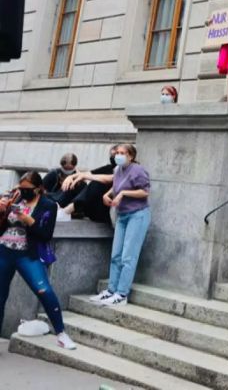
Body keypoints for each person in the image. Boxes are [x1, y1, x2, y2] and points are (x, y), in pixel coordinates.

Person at [0, 172, 76, 350]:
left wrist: (28, 220)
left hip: (28, 255)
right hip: (4, 251)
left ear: (38, 188)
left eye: (27, 189)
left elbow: (45, 234)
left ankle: (61, 333)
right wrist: (2, 210)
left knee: (44, 291)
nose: (22, 192)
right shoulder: (14, 198)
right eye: (21, 188)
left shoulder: (48, 205)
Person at [88, 144, 151, 307]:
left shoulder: (138, 170)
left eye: (122, 153)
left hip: (137, 215)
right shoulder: (117, 170)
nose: (118, 155)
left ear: (131, 156)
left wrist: (123, 194)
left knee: (128, 256)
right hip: (122, 215)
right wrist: (106, 194)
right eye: (117, 153)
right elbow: (115, 186)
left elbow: (145, 192)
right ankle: (111, 290)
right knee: (116, 255)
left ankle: (122, 294)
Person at [59, 144, 118, 223]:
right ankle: (61, 207)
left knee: (96, 183)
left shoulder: (128, 169)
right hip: (94, 208)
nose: (113, 158)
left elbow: (109, 178)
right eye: (111, 155)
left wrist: (85, 176)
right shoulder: (108, 168)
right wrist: (71, 177)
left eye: (116, 154)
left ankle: (67, 211)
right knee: (78, 183)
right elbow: (88, 173)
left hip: (107, 209)